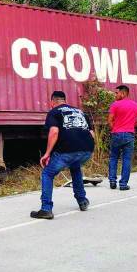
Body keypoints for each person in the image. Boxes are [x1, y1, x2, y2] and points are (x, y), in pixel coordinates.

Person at [30, 90, 95, 220]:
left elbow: (54, 132)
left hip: (67, 151)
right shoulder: (80, 112)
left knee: (47, 174)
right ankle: (82, 201)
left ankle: (46, 209)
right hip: (87, 150)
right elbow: (92, 134)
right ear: (65, 100)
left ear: (52, 102)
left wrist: (47, 154)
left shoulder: (54, 112)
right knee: (75, 168)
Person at [107, 85, 137, 191]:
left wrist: (114, 128)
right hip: (129, 135)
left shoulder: (115, 105)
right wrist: (132, 124)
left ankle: (112, 181)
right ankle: (123, 184)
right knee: (127, 159)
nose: (115, 95)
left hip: (116, 134)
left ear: (123, 93)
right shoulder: (136, 106)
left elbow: (109, 121)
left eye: (117, 93)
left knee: (113, 157)